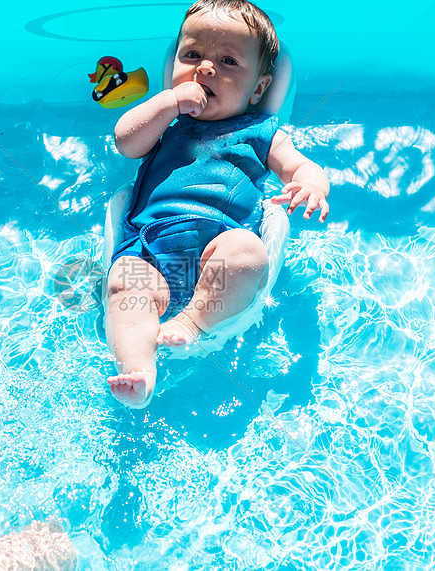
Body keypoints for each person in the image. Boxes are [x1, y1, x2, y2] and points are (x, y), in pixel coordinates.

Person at [105, 0, 330, 408]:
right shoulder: (165, 124)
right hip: (149, 252)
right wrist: (168, 103)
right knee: (124, 282)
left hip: (219, 251)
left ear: (259, 88)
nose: (205, 69)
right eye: (192, 55)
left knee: (247, 253)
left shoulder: (262, 133)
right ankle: (139, 371)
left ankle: (191, 322)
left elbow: (300, 167)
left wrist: (311, 185)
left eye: (227, 61)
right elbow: (126, 142)